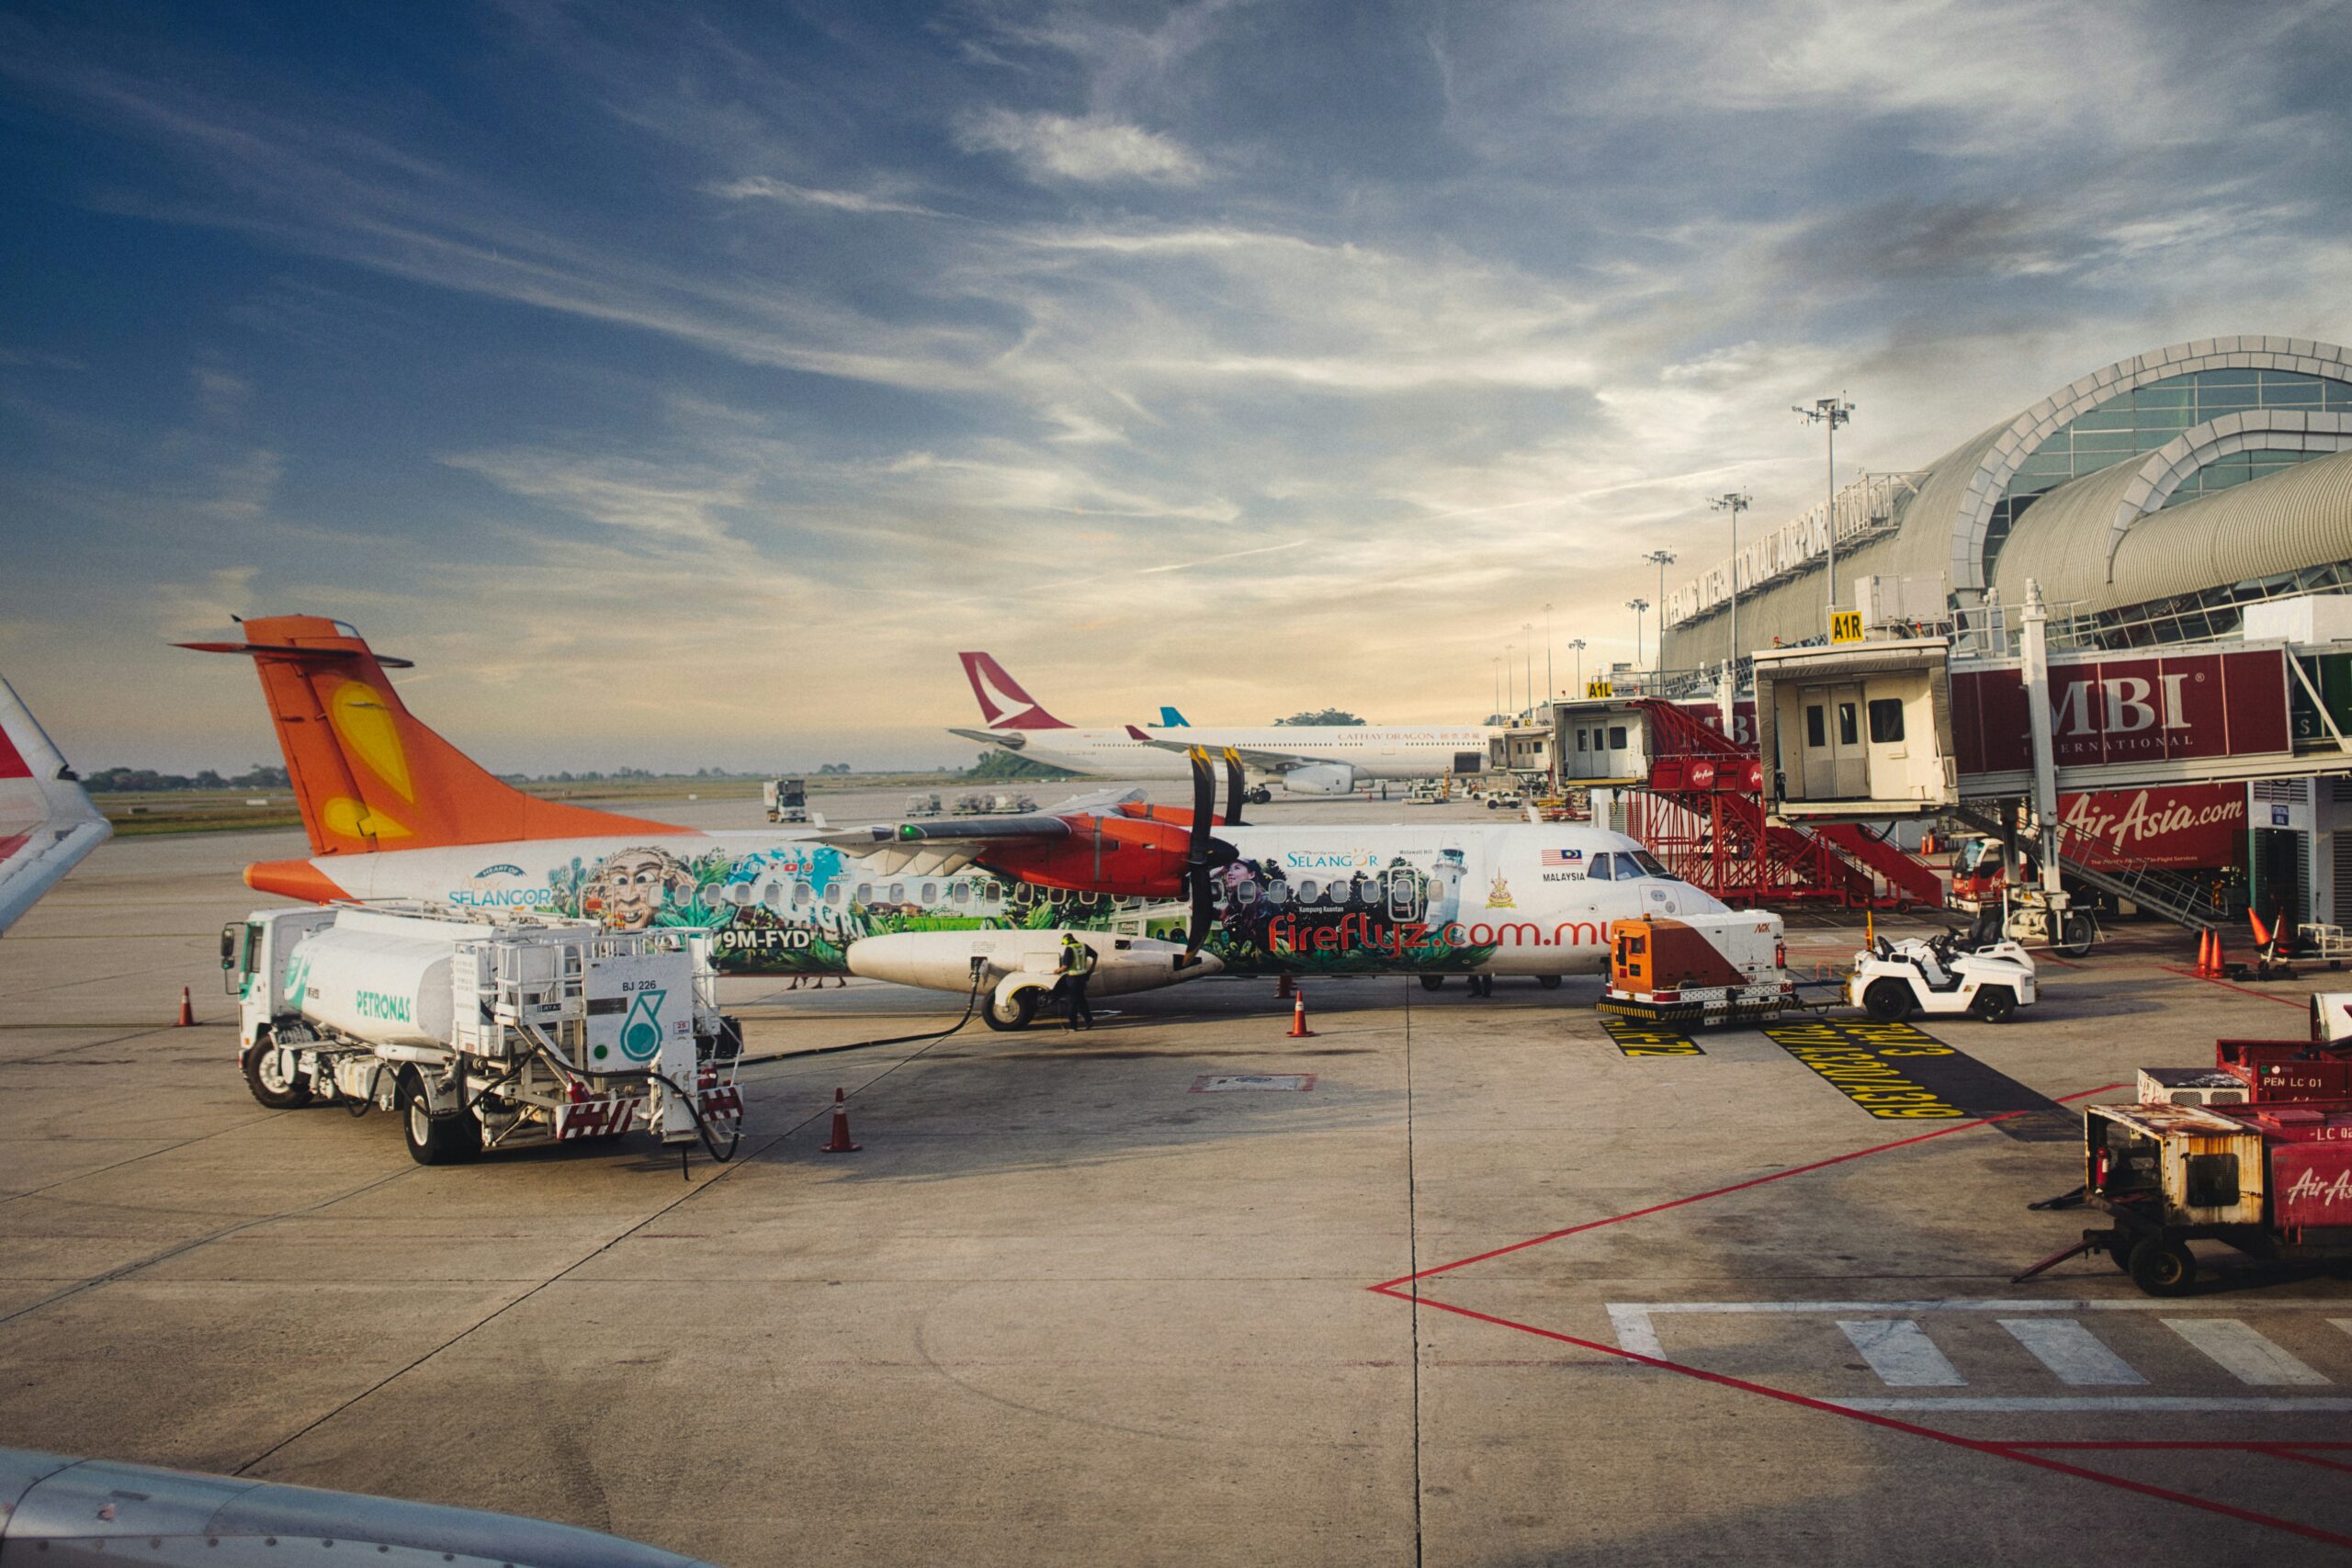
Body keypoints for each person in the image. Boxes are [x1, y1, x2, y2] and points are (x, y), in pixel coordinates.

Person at [1057, 932, 1096, 1030]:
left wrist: (1057, 971)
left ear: (1066, 940)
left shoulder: (1069, 948)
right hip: (1082, 977)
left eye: (1064, 942)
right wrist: (1091, 969)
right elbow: (1095, 955)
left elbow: (1065, 966)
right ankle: (1089, 1020)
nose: (1065, 944)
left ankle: (1073, 1026)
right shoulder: (1083, 946)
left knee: (1072, 1002)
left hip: (1073, 978)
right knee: (1081, 1000)